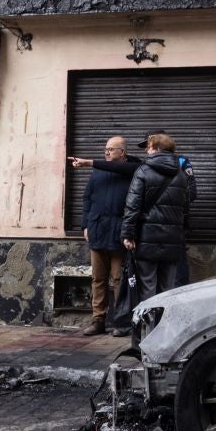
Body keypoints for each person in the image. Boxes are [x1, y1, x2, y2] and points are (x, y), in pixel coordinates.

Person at [68, 136, 140, 334]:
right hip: (98, 230)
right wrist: (85, 225)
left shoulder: (134, 169)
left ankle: (121, 322)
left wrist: (88, 162)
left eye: (111, 149)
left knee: (119, 279)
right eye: (105, 149)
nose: (106, 152)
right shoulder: (99, 171)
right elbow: (87, 198)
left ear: (122, 152)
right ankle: (98, 320)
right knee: (98, 279)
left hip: (119, 233)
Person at [122, 132, 195, 303]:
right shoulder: (182, 175)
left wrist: (127, 234)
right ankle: (165, 327)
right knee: (167, 289)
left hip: (147, 237)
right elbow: (185, 208)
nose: (146, 151)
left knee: (147, 286)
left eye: (148, 147)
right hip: (172, 239)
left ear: (156, 148)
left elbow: (132, 205)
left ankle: (149, 328)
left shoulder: (143, 171)